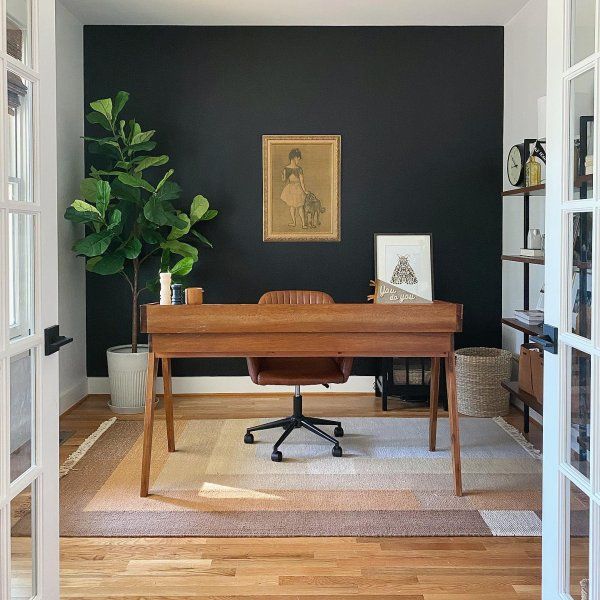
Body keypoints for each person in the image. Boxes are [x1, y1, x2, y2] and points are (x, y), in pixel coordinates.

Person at [281, 148, 307, 228]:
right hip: (294, 188)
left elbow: (284, 180)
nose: (298, 160)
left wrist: (304, 190)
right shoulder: (297, 169)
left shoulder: (294, 169)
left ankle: (302, 223)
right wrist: (304, 190)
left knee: (298, 206)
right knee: (295, 207)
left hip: (295, 188)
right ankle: (297, 223)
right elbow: (285, 180)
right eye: (298, 159)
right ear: (295, 158)